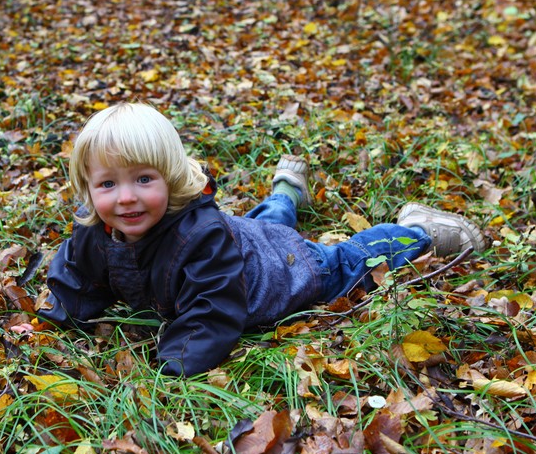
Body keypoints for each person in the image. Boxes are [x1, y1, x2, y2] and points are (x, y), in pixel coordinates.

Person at [39, 103, 485, 376]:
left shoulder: (201, 237)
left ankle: (417, 232)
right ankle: (287, 190)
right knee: (266, 223)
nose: (127, 198)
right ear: (88, 188)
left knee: (348, 262)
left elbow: (211, 310)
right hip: (251, 239)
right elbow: (77, 273)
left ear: (171, 179)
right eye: (108, 185)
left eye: (142, 179)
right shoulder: (96, 229)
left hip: (288, 269)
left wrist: (176, 362)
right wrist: (60, 312)